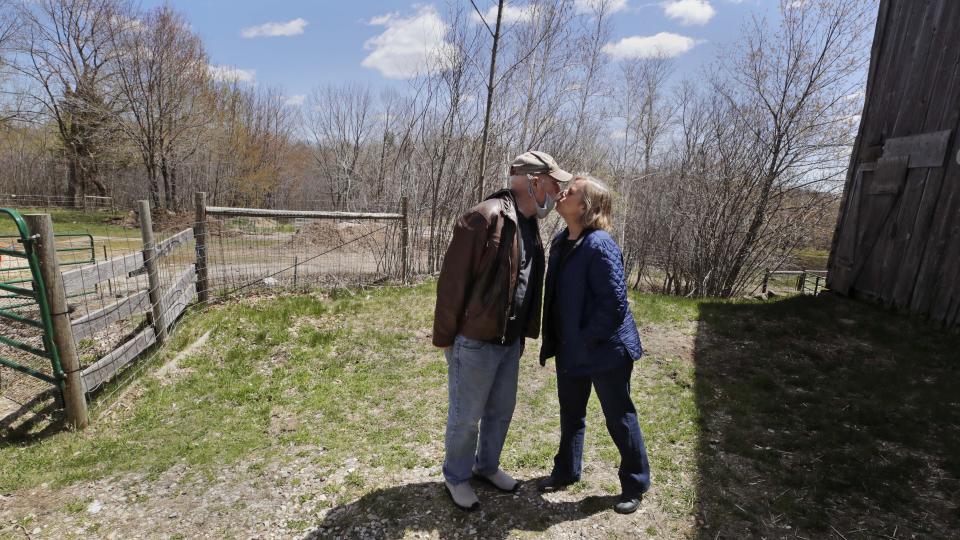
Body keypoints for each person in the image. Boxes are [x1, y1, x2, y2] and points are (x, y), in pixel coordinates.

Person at [432, 151, 572, 511]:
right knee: (466, 416)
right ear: (534, 181)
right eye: (554, 182)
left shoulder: (528, 222)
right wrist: (447, 339)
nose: (558, 191)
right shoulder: (484, 217)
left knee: (501, 410)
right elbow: (452, 284)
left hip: (509, 341)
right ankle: (456, 476)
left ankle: (486, 466)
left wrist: (524, 333)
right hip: (476, 341)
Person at [537, 175, 650, 515]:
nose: (561, 194)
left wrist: (586, 339)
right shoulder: (561, 241)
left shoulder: (599, 244)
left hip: (605, 350)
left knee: (619, 417)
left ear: (584, 206)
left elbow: (614, 303)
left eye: (569, 191)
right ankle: (566, 470)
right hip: (571, 347)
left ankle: (635, 483)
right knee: (571, 414)